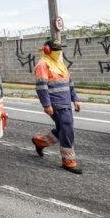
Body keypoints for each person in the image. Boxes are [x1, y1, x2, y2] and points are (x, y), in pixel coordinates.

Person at [31, 40, 84, 174]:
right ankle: (69, 162)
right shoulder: (42, 65)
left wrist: (75, 99)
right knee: (67, 130)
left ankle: (40, 142)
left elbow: (69, 82)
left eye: (60, 49)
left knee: (63, 129)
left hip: (66, 102)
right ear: (47, 50)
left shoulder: (59, 63)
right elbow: (41, 87)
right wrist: (47, 105)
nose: (59, 51)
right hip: (56, 104)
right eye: (56, 49)